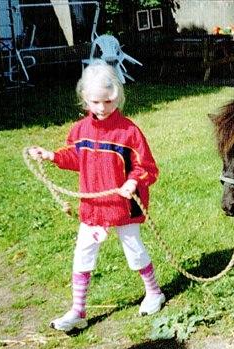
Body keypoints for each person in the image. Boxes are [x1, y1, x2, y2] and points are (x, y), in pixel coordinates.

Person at [28, 60, 165, 332]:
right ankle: (78, 310)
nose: (102, 109)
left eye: (108, 102)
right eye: (95, 102)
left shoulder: (129, 132)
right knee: (83, 253)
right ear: (85, 100)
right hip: (93, 205)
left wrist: (132, 182)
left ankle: (154, 292)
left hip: (123, 206)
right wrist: (52, 156)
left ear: (117, 97)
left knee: (134, 250)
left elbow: (147, 168)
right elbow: (74, 156)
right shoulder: (80, 131)